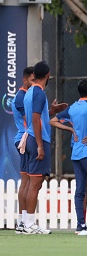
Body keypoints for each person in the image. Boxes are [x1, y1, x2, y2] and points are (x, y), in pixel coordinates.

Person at [22, 61, 68, 234]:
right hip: (36, 139)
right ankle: (30, 224)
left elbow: (38, 116)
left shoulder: (30, 92)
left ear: (34, 75)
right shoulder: (39, 93)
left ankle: (26, 222)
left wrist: (52, 110)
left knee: (31, 183)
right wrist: (40, 145)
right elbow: (35, 119)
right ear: (48, 75)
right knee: (35, 183)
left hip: (30, 137)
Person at [52, 79, 87, 234]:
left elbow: (53, 120)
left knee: (80, 189)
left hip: (76, 152)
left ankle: (80, 224)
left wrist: (71, 130)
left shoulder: (72, 108)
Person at [13, 67, 35, 234]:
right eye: (32, 81)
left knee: (26, 181)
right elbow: (29, 120)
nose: (34, 84)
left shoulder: (25, 96)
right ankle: (25, 222)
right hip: (25, 139)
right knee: (28, 181)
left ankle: (22, 221)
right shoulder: (22, 97)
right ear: (25, 80)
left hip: (24, 139)